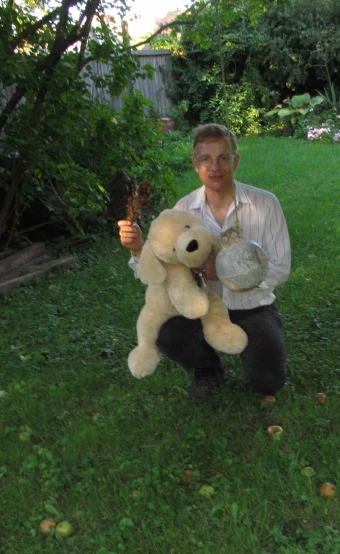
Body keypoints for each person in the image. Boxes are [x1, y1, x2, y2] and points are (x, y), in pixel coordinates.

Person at [118, 123, 291, 402]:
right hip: (199, 306)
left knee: (267, 382)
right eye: (206, 159)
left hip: (253, 306)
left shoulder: (265, 204)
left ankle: (262, 344)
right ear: (195, 164)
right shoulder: (183, 210)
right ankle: (208, 371)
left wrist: (225, 274)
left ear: (236, 161)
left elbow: (280, 267)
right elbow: (162, 270)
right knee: (167, 332)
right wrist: (139, 249)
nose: (215, 167)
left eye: (223, 158)